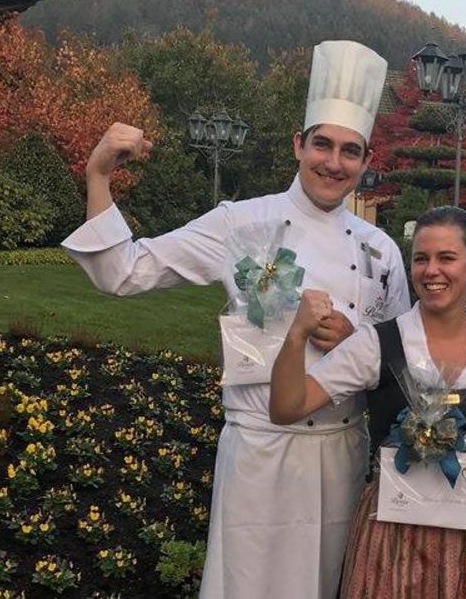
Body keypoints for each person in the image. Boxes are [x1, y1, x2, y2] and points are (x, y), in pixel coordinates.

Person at [61, 41, 411, 599]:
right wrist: (97, 174)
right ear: (298, 145)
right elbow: (121, 272)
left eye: (350, 151)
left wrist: (357, 340)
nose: (333, 162)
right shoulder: (239, 223)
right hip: (259, 452)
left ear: (366, 162)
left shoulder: (380, 249)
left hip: (344, 452)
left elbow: (404, 364)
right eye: (322, 144)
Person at [270, 207, 466, 598]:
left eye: (446, 258)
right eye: (421, 259)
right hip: (390, 532)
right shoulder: (377, 343)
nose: (431, 271)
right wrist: (296, 335)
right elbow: (287, 407)